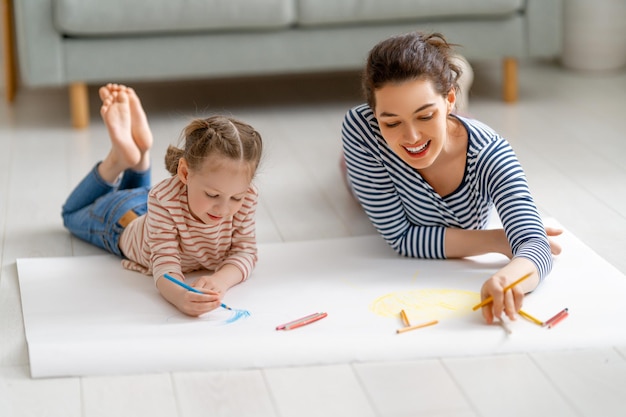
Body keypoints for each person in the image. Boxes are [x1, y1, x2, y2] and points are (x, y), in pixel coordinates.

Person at [341, 32, 562, 324]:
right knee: (346, 178)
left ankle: (457, 103)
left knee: (450, 129)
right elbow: (401, 237)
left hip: (458, 126)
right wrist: (499, 240)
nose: (411, 137)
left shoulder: (491, 155)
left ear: (448, 99)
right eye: (391, 122)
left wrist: (509, 280)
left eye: (424, 116)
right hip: (358, 165)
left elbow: (536, 245)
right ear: (375, 115)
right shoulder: (363, 131)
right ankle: (447, 104)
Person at [62, 84, 263, 317]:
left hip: (147, 205)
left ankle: (137, 159)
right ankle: (115, 162)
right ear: (185, 173)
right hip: (121, 220)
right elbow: (165, 265)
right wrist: (179, 297)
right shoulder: (163, 200)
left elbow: (246, 252)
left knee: (147, 194)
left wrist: (220, 280)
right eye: (212, 195)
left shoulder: (247, 197)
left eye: (235, 197)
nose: (224, 208)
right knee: (71, 213)